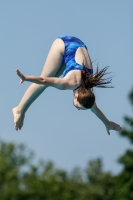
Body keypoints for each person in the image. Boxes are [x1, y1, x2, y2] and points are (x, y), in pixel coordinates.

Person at [12, 35, 122, 134]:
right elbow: (43, 80)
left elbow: (95, 109)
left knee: (46, 83)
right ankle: (18, 109)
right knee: (44, 82)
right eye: (79, 107)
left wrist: (107, 123)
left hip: (79, 45)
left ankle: (22, 111)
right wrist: (25, 77)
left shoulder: (88, 92)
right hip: (64, 44)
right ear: (76, 96)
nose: (78, 109)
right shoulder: (68, 83)